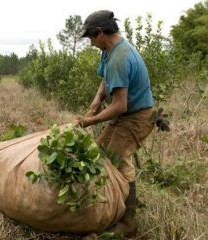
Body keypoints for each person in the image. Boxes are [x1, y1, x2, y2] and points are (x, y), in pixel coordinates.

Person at [76, 10, 155, 237]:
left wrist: (88, 121)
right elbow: (105, 79)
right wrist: (96, 100)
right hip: (125, 115)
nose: (90, 43)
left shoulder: (121, 58)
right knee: (100, 153)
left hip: (137, 116)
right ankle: (106, 207)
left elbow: (120, 106)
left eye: (90, 37)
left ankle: (128, 223)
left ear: (100, 33)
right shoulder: (109, 50)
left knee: (115, 161)